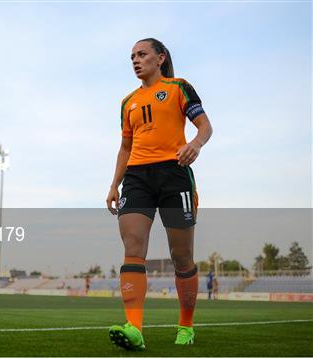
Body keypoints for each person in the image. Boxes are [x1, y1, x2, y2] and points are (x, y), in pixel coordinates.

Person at [106, 38, 213, 351]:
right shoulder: (128, 102)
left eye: (142, 54)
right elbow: (125, 147)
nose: (136, 60)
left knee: (182, 257)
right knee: (133, 245)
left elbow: (205, 126)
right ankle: (134, 329)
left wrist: (195, 144)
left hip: (174, 173)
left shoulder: (179, 87)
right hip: (137, 177)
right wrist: (114, 184)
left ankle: (186, 325)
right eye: (132, 57)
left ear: (160, 58)